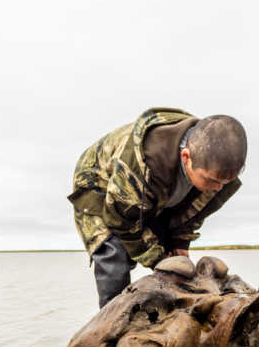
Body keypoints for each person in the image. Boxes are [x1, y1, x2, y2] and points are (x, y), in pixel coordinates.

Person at [69, 108, 246, 307]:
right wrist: (157, 260)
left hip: (151, 194)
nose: (217, 188)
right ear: (186, 157)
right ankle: (113, 321)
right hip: (99, 185)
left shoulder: (215, 168)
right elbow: (119, 221)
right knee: (115, 254)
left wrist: (179, 243)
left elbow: (191, 211)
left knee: (175, 258)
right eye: (211, 180)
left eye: (224, 182)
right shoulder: (144, 164)